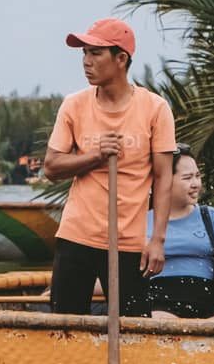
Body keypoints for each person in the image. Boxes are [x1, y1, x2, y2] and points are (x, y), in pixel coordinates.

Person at [42, 18, 175, 317]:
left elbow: (164, 177)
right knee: (66, 327)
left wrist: (157, 241)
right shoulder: (74, 105)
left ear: (121, 59)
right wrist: (94, 156)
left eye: (95, 53)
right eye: (84, 54)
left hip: (127, 242)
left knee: (134, 331)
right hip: (77, 236)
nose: (86, 62)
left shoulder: (154, 108)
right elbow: (51, 166)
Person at [147, 148, 214, 321]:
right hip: (157, 306)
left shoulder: (210, 216)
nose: (196, 184)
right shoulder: (142, 220)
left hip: (207, 305)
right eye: (187, 178)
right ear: (164, 180)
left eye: (198, 176)